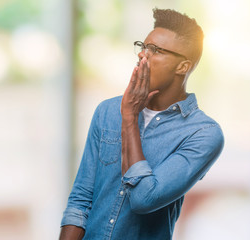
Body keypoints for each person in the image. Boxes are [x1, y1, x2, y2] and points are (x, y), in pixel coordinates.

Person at [59, 8, 224, 240]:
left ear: (182, 67)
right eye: (143, 46)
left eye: (155, 50)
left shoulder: (203, 134)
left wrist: (129, 117)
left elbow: (144, 199)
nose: (142, 55)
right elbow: (81, 198)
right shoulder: (107, 111)